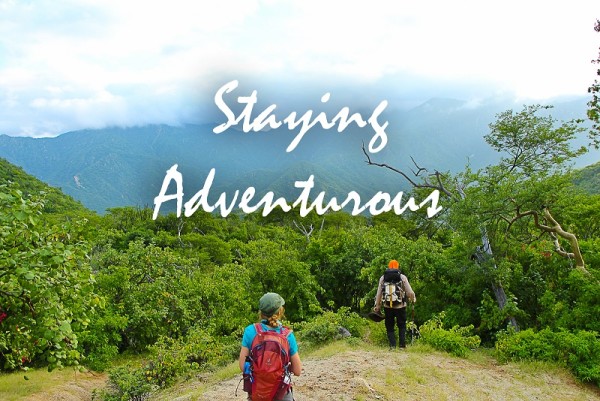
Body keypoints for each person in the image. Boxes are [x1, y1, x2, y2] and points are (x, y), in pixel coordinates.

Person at [239, 292, 302, 401]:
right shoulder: (287, 335)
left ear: (261, 312)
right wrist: (282, 368)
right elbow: (297, 370)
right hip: (281, 393)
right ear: (279, 311)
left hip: (258, 392)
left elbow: (242, 365)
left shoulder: (250, 331)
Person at [373, 260, 416, 349]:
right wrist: (413, 299)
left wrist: (377, 306)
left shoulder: (383, 278)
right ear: (398, 266)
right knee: (402, 325)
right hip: (400, 305)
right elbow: (409, 292)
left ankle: (392, 346)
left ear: (389, 266)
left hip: (387, 306)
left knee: (389, 325)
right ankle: (402, 346)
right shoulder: (402, 277)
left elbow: (379, 293)